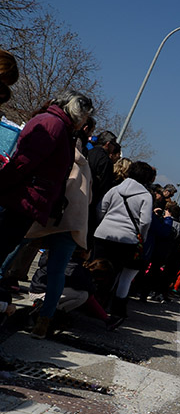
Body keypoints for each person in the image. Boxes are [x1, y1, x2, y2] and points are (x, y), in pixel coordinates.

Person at [0, 90, 93, 270]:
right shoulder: (53, 125)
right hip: (22, 199)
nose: (84, 123)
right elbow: (24, 162)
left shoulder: (57, 125)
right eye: (85, 116)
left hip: (25, 199)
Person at [24, 122, 94, 338]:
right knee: (57, 272)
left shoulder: (58, 153)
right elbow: (89, 198)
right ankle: (44, 320)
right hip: (72, 222)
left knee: (15, 250)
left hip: (46, 214)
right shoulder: (86, 166)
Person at [93, 161, 155, 319]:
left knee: (97, 269)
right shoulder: (145, 196)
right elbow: (146, 221)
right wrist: (141, 235)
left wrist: (104, 223)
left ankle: (92, 302)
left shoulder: (115, 189)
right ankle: (115, 311)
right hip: (126, 239)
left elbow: (100, 209)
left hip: (102, 234)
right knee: (116, 274)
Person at [86, 130, 121, 236]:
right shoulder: (105, 161)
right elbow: (104, 187)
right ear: (108, 143)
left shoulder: (88, 152)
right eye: (113, 144)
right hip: (92, 203)